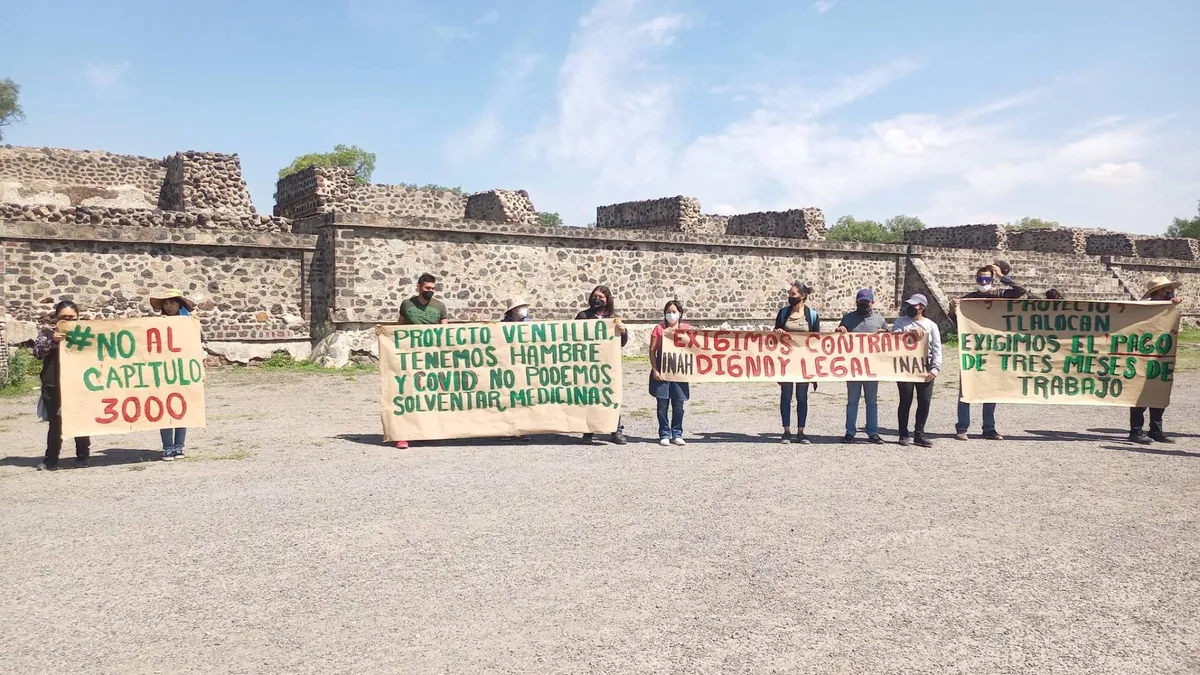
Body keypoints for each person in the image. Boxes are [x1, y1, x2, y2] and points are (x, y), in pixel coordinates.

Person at [949, 264, 1028, 441]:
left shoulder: (1001, 295)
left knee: (990, 390)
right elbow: (957, 326)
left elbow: (1021, 291)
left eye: (987, 279)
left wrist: (1002, 276)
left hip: (993, 350)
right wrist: (952, 311)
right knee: (966, 390)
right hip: (972, 350)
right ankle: (962, 427)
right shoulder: (967, 299)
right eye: (980, 279)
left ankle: (989, 428)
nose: (983, 282)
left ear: (992, 280)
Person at [375, 273, 451, 450]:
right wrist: (386, 335)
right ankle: (403, 435)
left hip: (430, 358)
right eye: (427, 289)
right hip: (408, 358)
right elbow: (399, 326)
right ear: (418, 287)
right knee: (406, 394)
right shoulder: (407, 304)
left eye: (433, 289)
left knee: (429, 395)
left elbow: (445, 331)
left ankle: (427, 432)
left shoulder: (440, 306)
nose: (430, 291)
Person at [33, 300, 91, 471]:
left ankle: (82, 456)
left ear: (77, 318)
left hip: (77, 383)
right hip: (53, 384)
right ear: (57, 318)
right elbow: (37, 353)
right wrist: (53, 341)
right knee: (55, 422)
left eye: (71, 318)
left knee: (79, 419)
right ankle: (51, 459)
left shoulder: (85, 333)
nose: (68, 321)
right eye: (63, 317)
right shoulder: (46, 334)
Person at [1130, 276, 1183, 445]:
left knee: (1159, 392)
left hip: (1161, 354)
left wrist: (1172, 306)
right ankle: (1136, 431)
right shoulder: (1144, 308)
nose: (1170, 291)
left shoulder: (1169, 308)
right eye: (1166, 289)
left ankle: (1156, 430)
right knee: (1140, 394)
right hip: (1143, 354)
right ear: (1158, 291)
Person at [576, 285, 628, 445]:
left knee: (610, 396)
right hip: (588, 364)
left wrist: (623, 331)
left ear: (607, 300)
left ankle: (615, 430)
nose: (597, 299)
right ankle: (588, 432)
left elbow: (622, 342)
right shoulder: (583, 316)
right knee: (589, 397)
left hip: (607, 365)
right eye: (595, 296)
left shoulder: (613, 318)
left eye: (601, 297)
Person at [836, 288, 888, 444]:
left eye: (866, 302)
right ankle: (850, 432)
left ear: (872, 303)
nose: (863, 305)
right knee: (852, 400)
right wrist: (840, 331)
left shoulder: (880, 320)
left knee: (872, 401)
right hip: (853, 367)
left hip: (872, 367)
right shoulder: (848, 319)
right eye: (861, 302)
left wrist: (885, 334)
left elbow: (889, 342)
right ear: (856, 302)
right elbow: (837, 340)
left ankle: (873, 432)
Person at [150, 289, 195, 460]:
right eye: (166, 303)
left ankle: (179, 446)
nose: (169, 306)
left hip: (182, 370)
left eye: (173, 302)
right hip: (162, 371)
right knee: (164, 409)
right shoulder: (155, 324)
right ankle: (168, 447)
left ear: (179, 304)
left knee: (181, 409)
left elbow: (194, 346)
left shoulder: (189, 323)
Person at [891, 294, 941, 447]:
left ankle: (919, 434)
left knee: (924, 401)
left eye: (915, 305)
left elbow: (937, 347)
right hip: (905, 366)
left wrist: (935, 367)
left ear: (922, 307)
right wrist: (910, 333)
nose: (911, 308)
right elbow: (893, 339)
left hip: (924, 367)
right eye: (910, 305)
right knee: (905, 401)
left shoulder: (931, 325)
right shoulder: (901, 322)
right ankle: (903, 434)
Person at [774, 281, 820, 444]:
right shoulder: (783, 313)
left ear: (802, 296)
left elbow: (816, 339)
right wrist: (778, 332)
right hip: (786, 361)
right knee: (786, 396)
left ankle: (801, 432)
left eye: (793, 294)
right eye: (789, 294)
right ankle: (786, 431)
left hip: (804, 362)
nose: (790, 297)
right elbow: (774, 337)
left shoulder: (812, 315)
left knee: (802, 396)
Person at [649, 300, 691, 447]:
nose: (671, 315)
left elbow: (693, 348)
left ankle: (677, 433)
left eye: (674, 312)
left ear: (680, 313)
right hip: (662, 369)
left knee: (678, 405)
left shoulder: (686, 329)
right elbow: (652, 351)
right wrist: (655, 369)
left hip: (679, 371)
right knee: (662, 404)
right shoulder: (658, 329)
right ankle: (664, 433)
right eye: (668, 312)